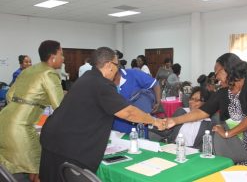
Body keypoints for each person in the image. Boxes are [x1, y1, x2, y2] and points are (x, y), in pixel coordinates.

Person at [39, 47, 164, 182]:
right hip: (69, 148)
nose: (118, 69)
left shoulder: (87, 78)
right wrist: (155, 121)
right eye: (117, 65)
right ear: (109, 65)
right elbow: (128, 112)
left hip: (52, 140)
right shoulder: (101, 84)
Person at [166, 53, 247, 175]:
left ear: (228, 69)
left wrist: (227, 133)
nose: (216, 76)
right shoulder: (226, 91)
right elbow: (203, 111)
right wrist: (176, 120)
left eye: (217, 71)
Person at [0, 40, 65, 182]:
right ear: (52, 56)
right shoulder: (50, 73)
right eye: (61, 54)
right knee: (37, 167)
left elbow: (9, 95)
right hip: (20, 126)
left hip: (4, 119)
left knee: (15, 166)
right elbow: (60, 106)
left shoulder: (28, 70)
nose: (63, 58)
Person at [112, 68, 161, 134]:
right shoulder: (103, 82)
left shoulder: (133, 74)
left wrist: (158, 101)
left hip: (139, 125)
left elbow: (155, 84)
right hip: (117, 127)